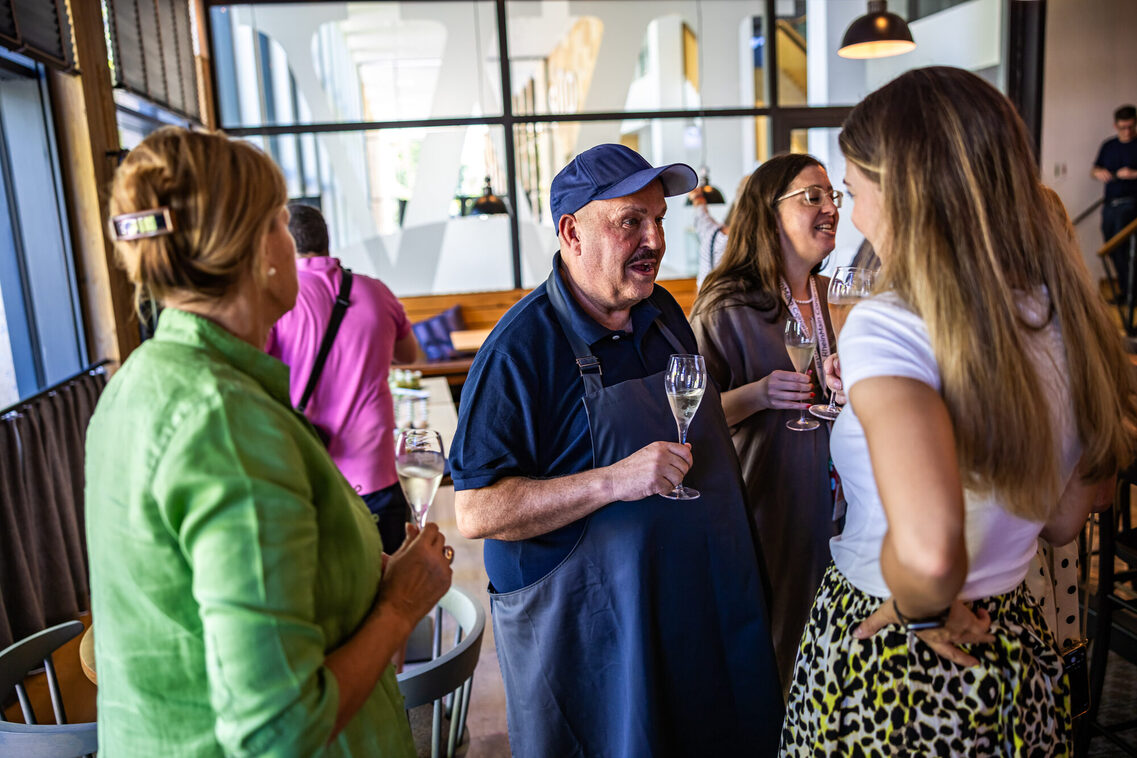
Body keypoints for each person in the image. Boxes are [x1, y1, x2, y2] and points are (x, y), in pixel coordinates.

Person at [780, 66, 1137, 755]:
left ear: (907, 193)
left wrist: (916, 608)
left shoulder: (888, 326)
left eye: (854, 191)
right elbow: (1064, 519)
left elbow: (928, 548)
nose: (851, 214)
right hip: (1010, 641)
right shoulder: (1058, 312)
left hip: (895, 658)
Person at [85, 127, 453, 756]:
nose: (293, 243)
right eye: (282, 223)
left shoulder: (141, 380)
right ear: (260, 249)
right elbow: (278, 730)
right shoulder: (224, 423)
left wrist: (367, 578)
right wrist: (399, 607)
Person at [451, 143, 782, 756]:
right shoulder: (519, 352)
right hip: (595, 638)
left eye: (659, 219)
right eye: (631, 220)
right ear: (572, 232)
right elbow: (475, 512)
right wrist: (612, 481)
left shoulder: (662, 312)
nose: (654, 238)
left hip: (694, 610)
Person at [689, 153, 840, 694]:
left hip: (844, 509)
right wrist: (758, 394)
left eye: (833, 196)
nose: (830, 209)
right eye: (812, 197)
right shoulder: (726, 306)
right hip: (771, 505)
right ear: (769, 212)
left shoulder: (833, 298)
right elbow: (688, 419)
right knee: (781, 653)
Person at [266, 203, 418, 551]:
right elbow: (409, 356)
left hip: (308, 474)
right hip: (376, 473)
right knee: (392, 581)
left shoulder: (277, 301)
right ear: (327, 240)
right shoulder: (376, 291)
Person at [1092, 104, 1137, 300]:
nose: (1127, 132)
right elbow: (1094, 169)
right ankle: (1126, 291)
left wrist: (1132, 174)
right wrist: (1098, 173)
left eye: (1131, 127)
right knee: (1110, 248)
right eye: (1123, 127)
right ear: (1115, 125)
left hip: (1131, 204)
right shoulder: (1108, 146)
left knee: (1124, 248)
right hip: (1110, 203)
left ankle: (1131, 294)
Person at [688, 174, 749, 287]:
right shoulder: (761, 244)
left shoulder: (712, 233)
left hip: (707, 301)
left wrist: (697, 198)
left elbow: (701, 216)